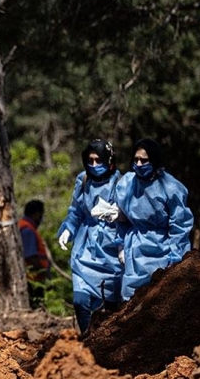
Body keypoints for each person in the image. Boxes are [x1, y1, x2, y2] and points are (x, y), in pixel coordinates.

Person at [112, 138, 194, 301]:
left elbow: (180, 225)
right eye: (136, 160)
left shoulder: (170, 187)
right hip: (134, 248)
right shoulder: (127, 183)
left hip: (162, 248)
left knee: (159, 299)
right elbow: (122, 220)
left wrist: (176, 258)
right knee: (131, 299)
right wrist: (121, 245)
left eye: (144, 160)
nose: (139, 164)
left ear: (154, 160)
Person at [57, 139, 124, 332]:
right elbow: (76, 211)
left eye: (98, 160)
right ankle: (87, 339)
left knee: (110, 306)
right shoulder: (83, 180)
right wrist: (69, 228)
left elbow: (128, 216)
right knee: (80, 301)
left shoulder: (121, 183)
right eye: (90, 160)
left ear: (109, 160)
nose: (94, 165)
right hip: (85, 247)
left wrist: (122, 245)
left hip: (111, 249)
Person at [19, 200, 50, 309]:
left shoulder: (26, 227)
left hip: (33, 278)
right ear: (36, 213)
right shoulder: (27, 230)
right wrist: (43, 271)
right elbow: (31, 256)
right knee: (36, 307)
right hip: (32, 280)